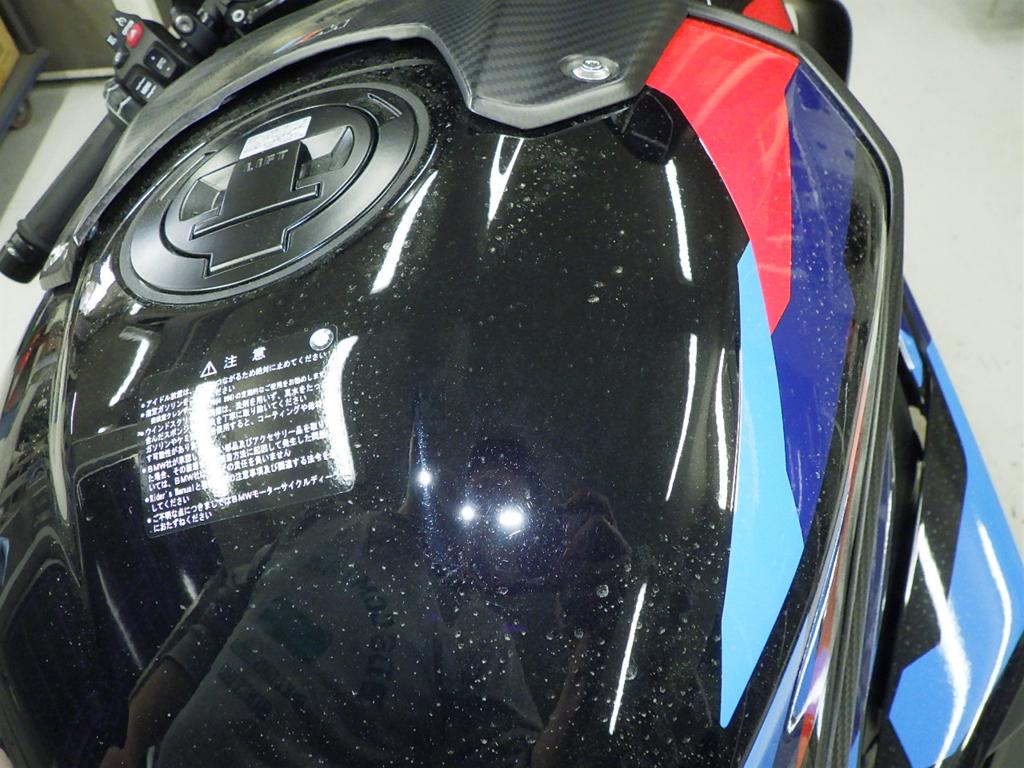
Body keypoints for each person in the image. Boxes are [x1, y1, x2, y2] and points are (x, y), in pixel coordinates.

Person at [100, 437, 633, 767]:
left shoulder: (478, 633)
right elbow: (213, 625)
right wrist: (128, 744)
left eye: (504, 504)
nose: (483, 511)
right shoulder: (329, 523)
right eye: (480, 490)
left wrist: (595, 637)